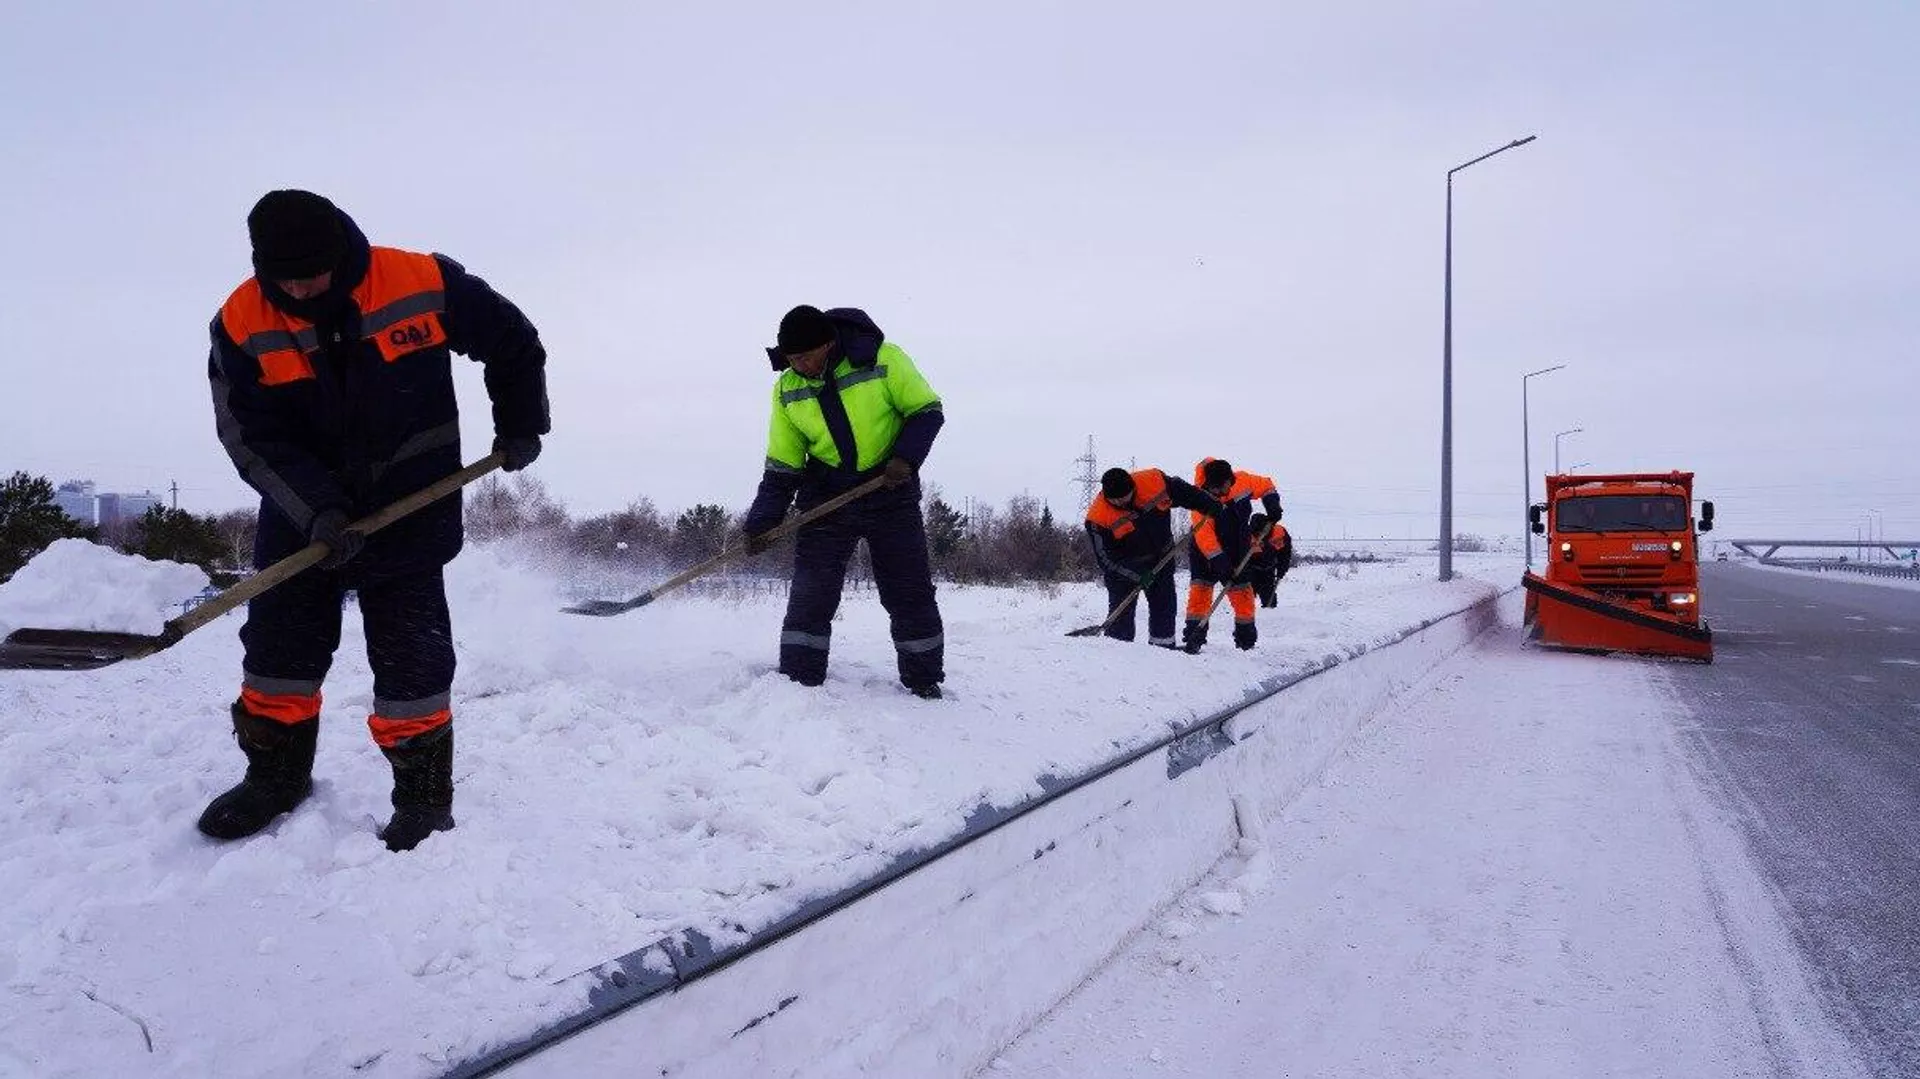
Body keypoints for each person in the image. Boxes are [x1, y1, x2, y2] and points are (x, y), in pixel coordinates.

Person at [199, 190, 549, 851]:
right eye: (285, 276)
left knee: (413, 661)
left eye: (312, 271)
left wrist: (522, 420)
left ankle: (422, 799)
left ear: (341, 252)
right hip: (305, 516)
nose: (300, 287)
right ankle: (275, 778)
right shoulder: (241, 322)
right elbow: (250, 435)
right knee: (278, 656)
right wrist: (317, 509)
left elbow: (512, 340)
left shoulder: (419, 280)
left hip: (410, 505)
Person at [742, 305, 946, 698]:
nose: (798, 366)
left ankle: (924, 680)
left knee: (908, 589)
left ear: (828, 344)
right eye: (791, 359)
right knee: (810, 592)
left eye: (805, 356)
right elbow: (783, 465)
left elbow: (927, 410)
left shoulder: (883, 358)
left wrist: (905, 457)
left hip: (890, 490)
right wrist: (762, 522)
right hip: (826, 496)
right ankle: (800, 682)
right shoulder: (787, 389)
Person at [1083, 467, 1219, 647]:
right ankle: (1118, 655)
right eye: (1116, 500)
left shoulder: (1154, 481)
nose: (1122, 502)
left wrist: (1207, 503)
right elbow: (1106, 560)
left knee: (1164, 608)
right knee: (1121, 617)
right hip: (1123, 570)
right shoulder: (1097, 518)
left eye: (1126, 496)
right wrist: (1137, 574)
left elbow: (1184, 492)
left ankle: (1163, 651)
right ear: (1106, 496)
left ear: (1133, 486)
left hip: (1161, 558)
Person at [1183, 457, 1283, 653]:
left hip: (1238, 548)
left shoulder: (1242, 480)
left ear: (1230, 479)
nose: (1222, 493)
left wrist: (1272, 505)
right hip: (1206, 554)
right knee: (1200, 594)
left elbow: (1267, 485)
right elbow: (1206, 539)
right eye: (1217, 490)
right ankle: (1194, 639)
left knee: (1243, 595)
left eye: (1225, 487)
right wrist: (1221, 564)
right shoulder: (1199, 500)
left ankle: (1246, 642)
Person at [1244, 512, 1294, 608]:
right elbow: (1237, 555)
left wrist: (1282, 567)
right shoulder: (1245, 535)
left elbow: (1285, 552)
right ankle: (1246, 618)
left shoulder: (1279, 532)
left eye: (1261, 532)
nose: (1260, 535)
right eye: (1257, 533)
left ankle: (1270, 616)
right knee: (1246, 597)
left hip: (1269, 567)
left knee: (1269, 597)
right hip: (1250, 568)